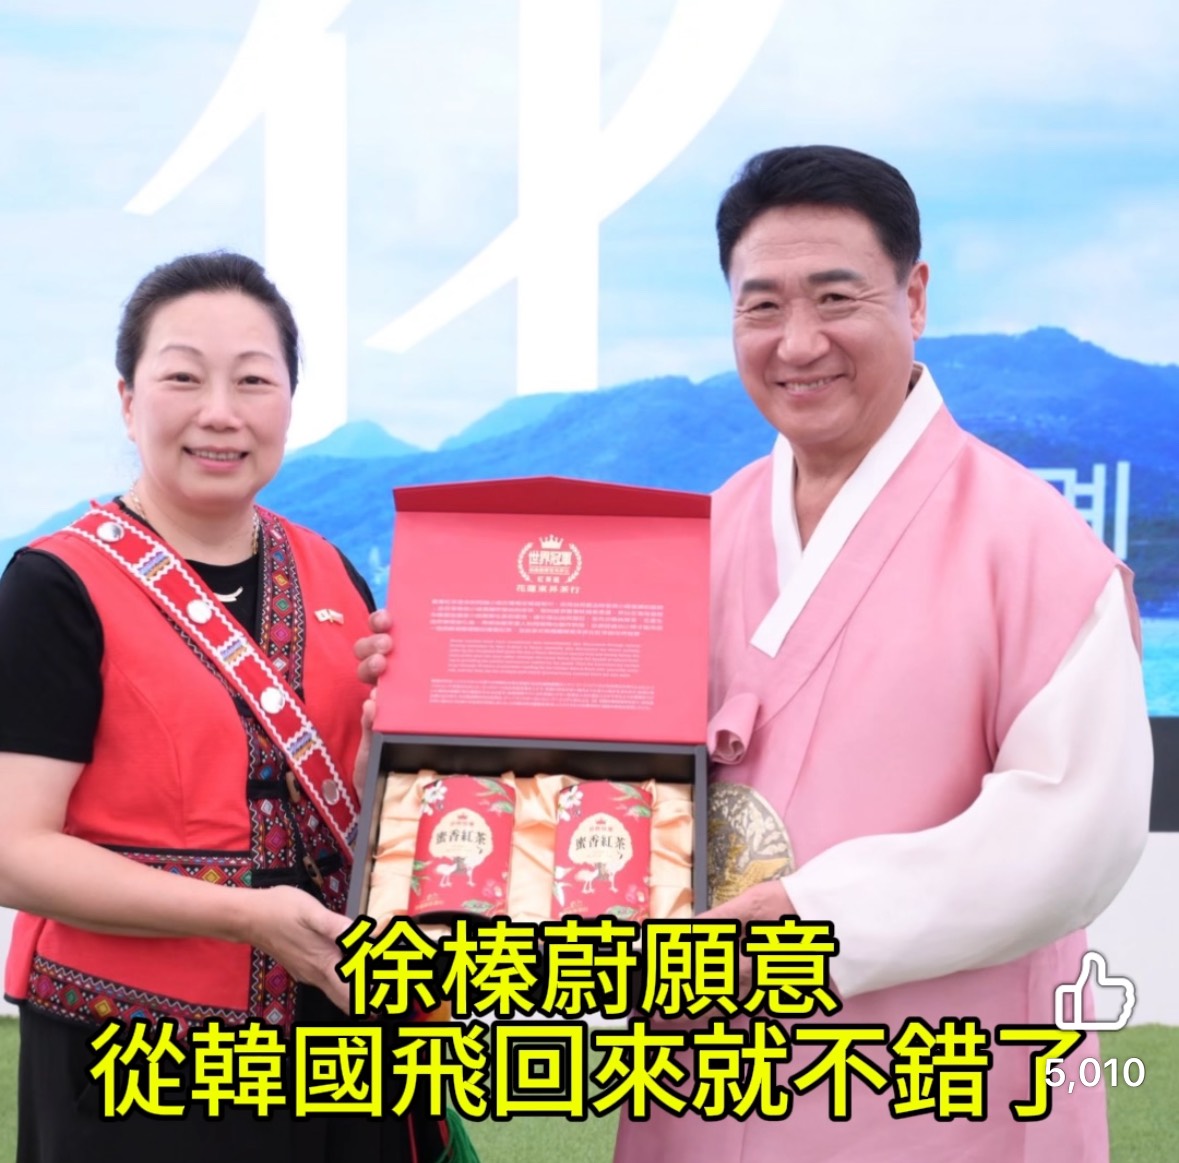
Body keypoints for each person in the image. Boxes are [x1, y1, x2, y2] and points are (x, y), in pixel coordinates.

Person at [607, 147, 1155, 1159]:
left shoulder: (1035, 546)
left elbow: (1073, 830)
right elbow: (607, 763)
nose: (797, 342)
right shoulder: (703, 535)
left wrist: (812, 919)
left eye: (835, 297)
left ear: (915, 295)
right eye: (761, 305)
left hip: (939, 1095)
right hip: (703, 1082)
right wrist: (440, 697)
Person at [0, 253, 461, 1162]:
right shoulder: (55, 587)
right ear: (128, 400)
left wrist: (385, 762)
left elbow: (355, 812)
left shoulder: (330, 570)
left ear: (289, 402)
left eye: (253, 380)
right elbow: (13, 850)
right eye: (183, 377)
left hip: (341, 1041)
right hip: (134, 1062)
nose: (221, 411)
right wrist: (245, 915)